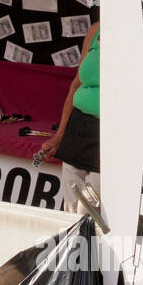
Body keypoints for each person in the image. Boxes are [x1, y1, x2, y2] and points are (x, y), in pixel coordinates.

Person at [41, 20, 100, 215]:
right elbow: (76, 84)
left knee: (87, 210)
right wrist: (59, 136)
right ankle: (78, 246)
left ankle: (93, 245)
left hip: (108, 135)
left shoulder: (138, 32)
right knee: (71, 208)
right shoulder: (95, 29)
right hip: (78, 129)